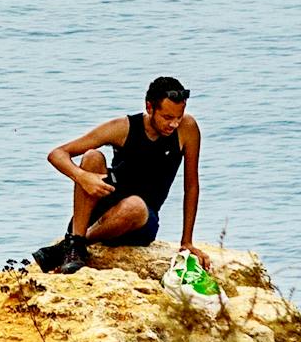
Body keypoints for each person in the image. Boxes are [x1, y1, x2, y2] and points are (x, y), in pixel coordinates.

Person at [30, 77, 199, 272]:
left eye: (179, 116)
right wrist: (82, 176)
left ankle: (72, 244)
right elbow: (57, 154)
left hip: (141, 219)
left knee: (134, 205)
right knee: (92, 157)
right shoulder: (124, 127)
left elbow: (191, 185)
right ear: (150, 107)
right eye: (167, 117)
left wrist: (187, 241)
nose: (174, 124)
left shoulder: (187, 129)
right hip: (104, 205)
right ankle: (75, 241)